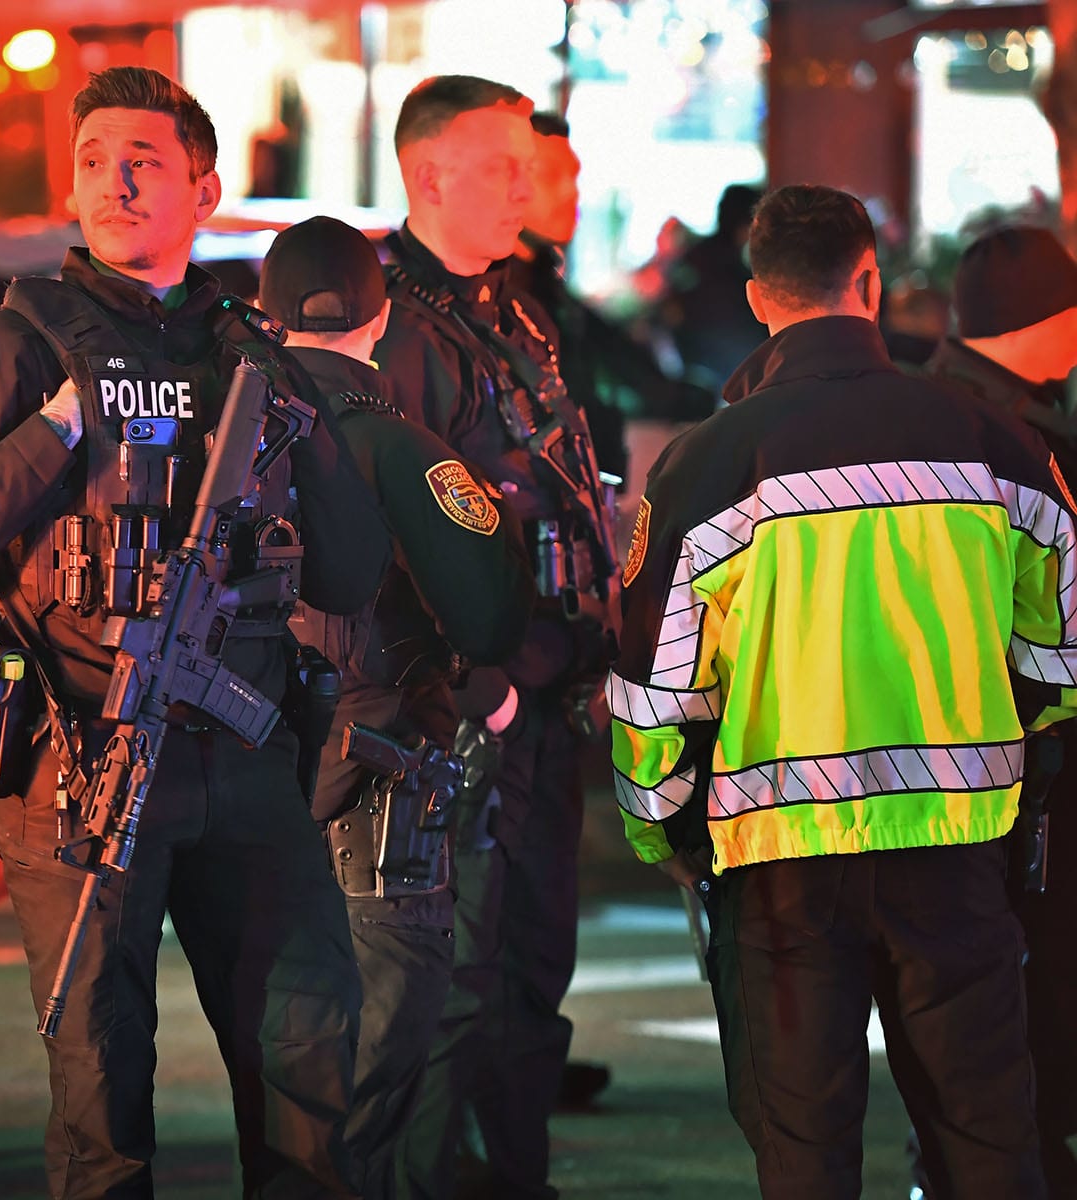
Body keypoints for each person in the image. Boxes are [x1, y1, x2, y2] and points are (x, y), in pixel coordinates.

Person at [0, 67, 390, 1198]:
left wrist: (319, 409)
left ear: (203, 189)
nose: (115, 181)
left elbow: (350, 575)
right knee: (103, 1090)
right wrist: (54, 436)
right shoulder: (11, 349)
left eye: (145, 161)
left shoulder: (251, 352)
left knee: (305, 1057)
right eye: (94, 159)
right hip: (82, 757)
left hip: (249, 755)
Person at [611, 184, 1065, 1200]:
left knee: (806, 1153)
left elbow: (653, 685)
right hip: (958, 846)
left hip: (782, 862)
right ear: (871, 282)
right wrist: (1025, 760)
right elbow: (1064, 647)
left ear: (759, 300)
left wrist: (661, 831)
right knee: (988, 1137)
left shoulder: (709, 462)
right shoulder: (992, 439)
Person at [373, 75, 620, 1200]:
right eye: (504, 167)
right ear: (429, 177)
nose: (531, 185)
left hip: (546, 702)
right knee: (456, 989)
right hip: (464, 718)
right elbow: (387, 539)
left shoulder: (510, 309)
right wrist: (486, 688)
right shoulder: (394, 330)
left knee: (529, 977)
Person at [261, 215, 535, 1199]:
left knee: (286, 1056)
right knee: (376, 1067)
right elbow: (490, 615)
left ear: (267, 315)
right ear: (377, 322)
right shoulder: (399, 443)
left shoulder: (221, 439)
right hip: (379, 790)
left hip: (245, 786)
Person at [921, 224, 1077, 1195]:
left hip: (951, 759)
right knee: (1021, 988)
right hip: (1012, 757)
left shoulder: (942, 409)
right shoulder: (1007, 439)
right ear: (1052, 322)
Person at [510, 113, 713, 482]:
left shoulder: (547, 286)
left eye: (574, 176)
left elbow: (616, 354)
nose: (572, 192)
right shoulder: (494, 296)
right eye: (551, 176)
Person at [659, 182, 765, 398]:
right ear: (747, 223)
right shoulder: (738, 273)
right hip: (732, 379)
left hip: (695, 378)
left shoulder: (692, 259)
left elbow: (670, 316)